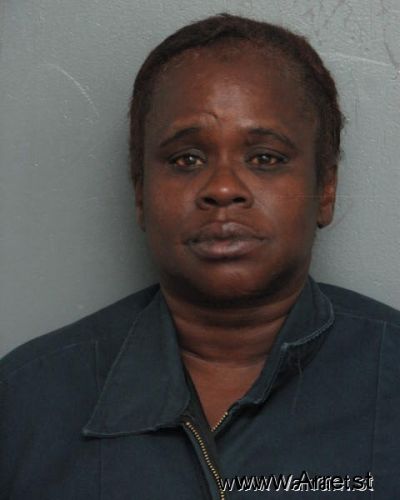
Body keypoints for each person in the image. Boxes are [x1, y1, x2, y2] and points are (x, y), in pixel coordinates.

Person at [1, 13, 399, 499]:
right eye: (185, 159)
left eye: (266, 158)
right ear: (141, 192)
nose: (223, 188)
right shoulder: (24, 402)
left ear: (326, 190)